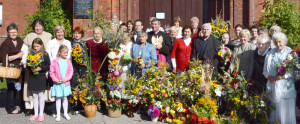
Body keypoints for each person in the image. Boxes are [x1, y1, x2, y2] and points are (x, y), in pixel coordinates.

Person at [263, 32, 296, 124]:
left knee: (286, 112)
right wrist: (269, 78)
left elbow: (295, 72)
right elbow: (265, 70)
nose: (278, 44)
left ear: (284, 42)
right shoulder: (270, 54)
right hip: (273, 86)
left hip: (286, 88)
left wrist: (283, 76)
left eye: (280, 42)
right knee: (275, 111)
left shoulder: (291, 53)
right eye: (276, 42)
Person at [23, 19, 53, 116]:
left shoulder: (48, 36)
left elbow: (51, 52)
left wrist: (46, 70)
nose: (38, 27)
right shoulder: (29, 36)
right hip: (31, 69)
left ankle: (45, 108)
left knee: (42, 92)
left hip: (43, 71)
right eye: (36, 26)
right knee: (32, 91)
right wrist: (25, 62)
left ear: (43, 27)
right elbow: (24, 50)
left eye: (40, 25)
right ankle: (31, 108)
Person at [0, 23, 24, 114]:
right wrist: (17, 56)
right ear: (8, 33)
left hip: (19, 67)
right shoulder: (5, 43)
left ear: (17, 31)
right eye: (11, 32)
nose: (13, 34)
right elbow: (3, 58)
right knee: (11, 89)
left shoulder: (20, 40)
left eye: (14, 32)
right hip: (10, 69)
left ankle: (20, 104)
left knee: (19, 87)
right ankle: (10, 108)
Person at [28, 38, 50, 121]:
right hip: (33, 76)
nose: (35, 48)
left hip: (41, 77)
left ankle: (41, 113)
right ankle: (35, 113)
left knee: (40, 95)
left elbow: (48, 65)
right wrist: (31, 68)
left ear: (41, 45)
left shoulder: (45, 54)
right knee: (34, 95)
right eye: (34, 47)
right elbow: (28, 64)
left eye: (37, 46)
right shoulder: (31, 54)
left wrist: (40, 68)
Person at [50, 45, 73, 121]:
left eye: (67, 52)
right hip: (58, 83)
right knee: (58, 99)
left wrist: (66, 79)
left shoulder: (68, 61)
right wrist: (55, 79)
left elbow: (70, 71)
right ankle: (58, 114)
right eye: (64, 52)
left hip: (65, 83)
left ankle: (65, 113)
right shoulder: (55, 61)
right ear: (59, 52)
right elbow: (52, 72)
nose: (66, 54)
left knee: (65, 98)